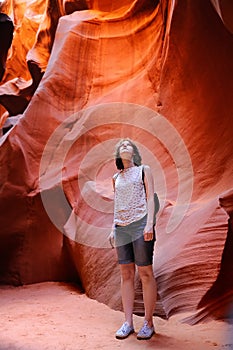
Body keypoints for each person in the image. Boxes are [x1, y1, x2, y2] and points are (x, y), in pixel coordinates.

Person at [109, 138, 157, 340]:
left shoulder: (144, 170)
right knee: (126, 273)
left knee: (145, 272)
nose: (125, 146)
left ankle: (148, 322)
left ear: (134, 152)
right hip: (121, 227)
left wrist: (149, 224)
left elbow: (150, 197)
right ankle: (128, 322)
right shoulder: (115, 178)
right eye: (122, 145)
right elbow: (117, 203)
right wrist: (113, 228)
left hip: (140, 223)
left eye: (129, 145)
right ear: (118, 154)